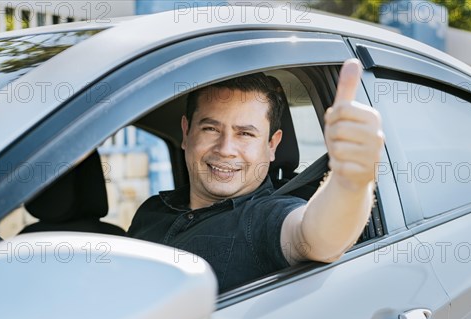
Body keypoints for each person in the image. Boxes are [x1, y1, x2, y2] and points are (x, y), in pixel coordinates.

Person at [127, 59, 384, 292]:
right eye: (210, 129)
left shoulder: (265, 218)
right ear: (186, 132)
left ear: (272, 145)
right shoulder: (150, 211)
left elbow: (316, 238)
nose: (225, 149)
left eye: (245, 134)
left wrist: (352, 182)